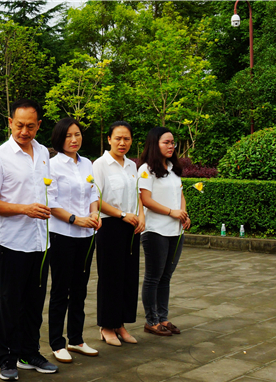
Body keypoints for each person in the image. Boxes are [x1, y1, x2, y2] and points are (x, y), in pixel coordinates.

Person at [0, 98, 60, 381]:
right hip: (13, 243)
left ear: (39, 125)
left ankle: (29, 353)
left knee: (35, 303)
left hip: (41, 241)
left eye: (30, 126)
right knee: (10, 303)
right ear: (10, 123)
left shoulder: (43, 153)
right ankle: (7, 358)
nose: (24, 131)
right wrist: (24, 209)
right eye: (19, 125)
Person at [47, 118, 102, 363]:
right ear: (59, 138)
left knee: (80, 288)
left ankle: (76, 339)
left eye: (77, 134)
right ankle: (57, 342)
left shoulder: (87, 163)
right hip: (62, 234)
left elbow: (93, 193)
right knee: (61, 289)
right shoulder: (52, 165)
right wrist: (75, 219)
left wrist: (94, 214)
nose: (74, 139)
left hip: (86, 234)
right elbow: (50, 202)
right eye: (68, 135)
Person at [92, 121, 145, 346]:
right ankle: (106, 326)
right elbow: (96, 199)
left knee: (128, 277)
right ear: (109, 139)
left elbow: (138, 194)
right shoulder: (100, 165)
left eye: (127, 139)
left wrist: (141, 216)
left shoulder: (132, 165)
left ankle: (120, 324)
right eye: (118, 138)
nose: (122, 143)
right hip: (110, 225)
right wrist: (122, 214)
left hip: (131, 226)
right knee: (110, 277)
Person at [138, 127, 189, 336]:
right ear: (154, 144)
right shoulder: (146, 170)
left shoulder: (173, 168)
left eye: (172, 142)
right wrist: (171, 212)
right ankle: (151, 320)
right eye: (166, 142)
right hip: (155, 230)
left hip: (175, 231)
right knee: (153, 277)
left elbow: (180, 194)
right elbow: (145, 199)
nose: (171, 146)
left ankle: (163, 317)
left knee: (166, 276)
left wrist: (183, 214)